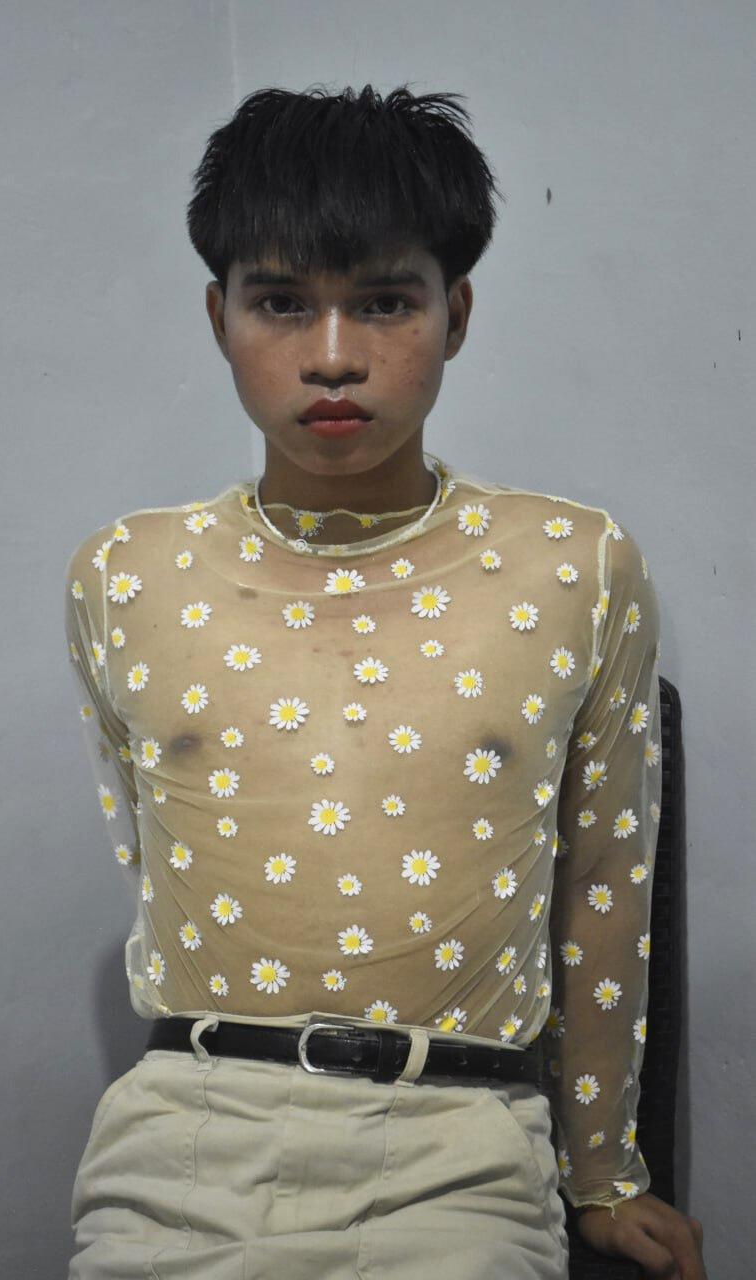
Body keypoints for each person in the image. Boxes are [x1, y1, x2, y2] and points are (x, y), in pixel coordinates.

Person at [63, 84, 706, 1279]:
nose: (332, 356)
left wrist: (603, 1170)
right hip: (180, 1141)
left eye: (383, 302)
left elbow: (602, 881)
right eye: (279, 302)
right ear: (217, 317)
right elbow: (150, 846)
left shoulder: (575, 565)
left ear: (454, 313)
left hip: (459, 1147)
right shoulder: (124, 574)